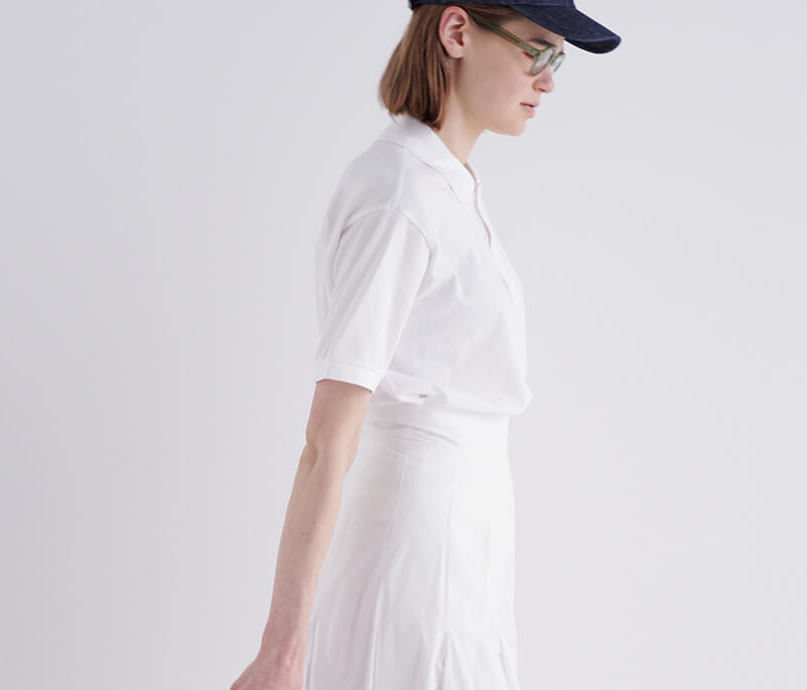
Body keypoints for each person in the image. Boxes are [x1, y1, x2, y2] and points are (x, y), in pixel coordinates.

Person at [231, 2, 619, 688]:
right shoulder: (400, 194)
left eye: (558, 59)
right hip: (417, 554)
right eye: (537, 50)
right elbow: (327, 440)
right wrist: (282, 652)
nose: (549, 79)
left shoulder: (445, 184)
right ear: (457, 31)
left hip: (461, 546)